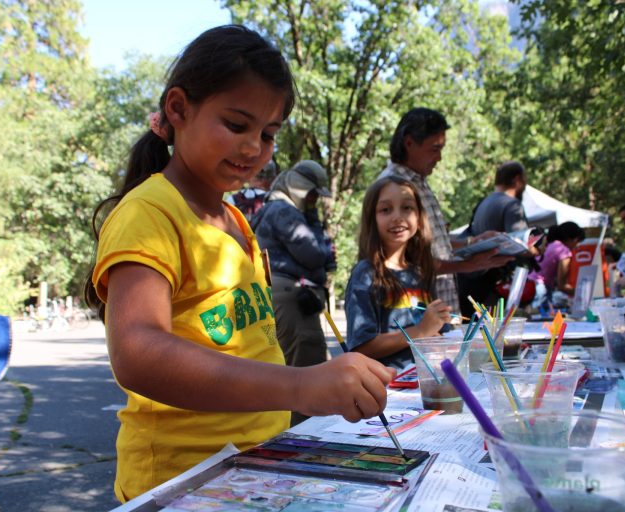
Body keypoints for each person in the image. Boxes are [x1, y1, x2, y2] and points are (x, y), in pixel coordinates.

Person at [84, 26, 393, 502]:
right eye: (236, 124)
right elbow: (138, 352)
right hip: (181, 480)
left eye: (268, 134)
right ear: (178, 109)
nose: (254, 147)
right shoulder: (149, 213)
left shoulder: (233, 219)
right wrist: (300, 385)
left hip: (250, 467)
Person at [378, 108, 511, 316]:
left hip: (437, 313)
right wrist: (468, 265)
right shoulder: (394, 188)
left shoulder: (416, 181)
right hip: (416, 319)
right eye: (434, 149)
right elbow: (406, 260)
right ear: (409, 143)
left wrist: (471, 243)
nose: (439, 158)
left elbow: (430, 245)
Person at [251, 160, 337, 423]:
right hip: (291, 300)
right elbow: (313, 254)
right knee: (304, 375)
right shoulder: (283, 211)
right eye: (311, 194)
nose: (313, 201)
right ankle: (305, 447)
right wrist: (319, 234)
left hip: (282, 296)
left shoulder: (271, 208)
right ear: (300, 189)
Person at [345, 176, 452, 371]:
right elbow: (360, 348)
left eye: (407, 207)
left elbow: (436, 334)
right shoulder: (366, 274)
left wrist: (441, 327)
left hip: (426, 381)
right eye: (385, 210)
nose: (398, 216)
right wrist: (420, 331)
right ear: (372, 219)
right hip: (388, 391)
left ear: (419, 218)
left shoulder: (421, 272)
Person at [459, 160, 531, 315]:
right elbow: (520, 246)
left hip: (472, 280)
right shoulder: (512, 205)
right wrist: (536, 248)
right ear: (517, 180)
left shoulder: (484, 202)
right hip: (493, 286)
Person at [528, 222, 586, 309]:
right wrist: (583, 294)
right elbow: (562, 285)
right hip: (540, 289)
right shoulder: (564, 251)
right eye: (578, 241)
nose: (578, 246)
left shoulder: (550, 244)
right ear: (573, 239)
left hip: (528, 284)